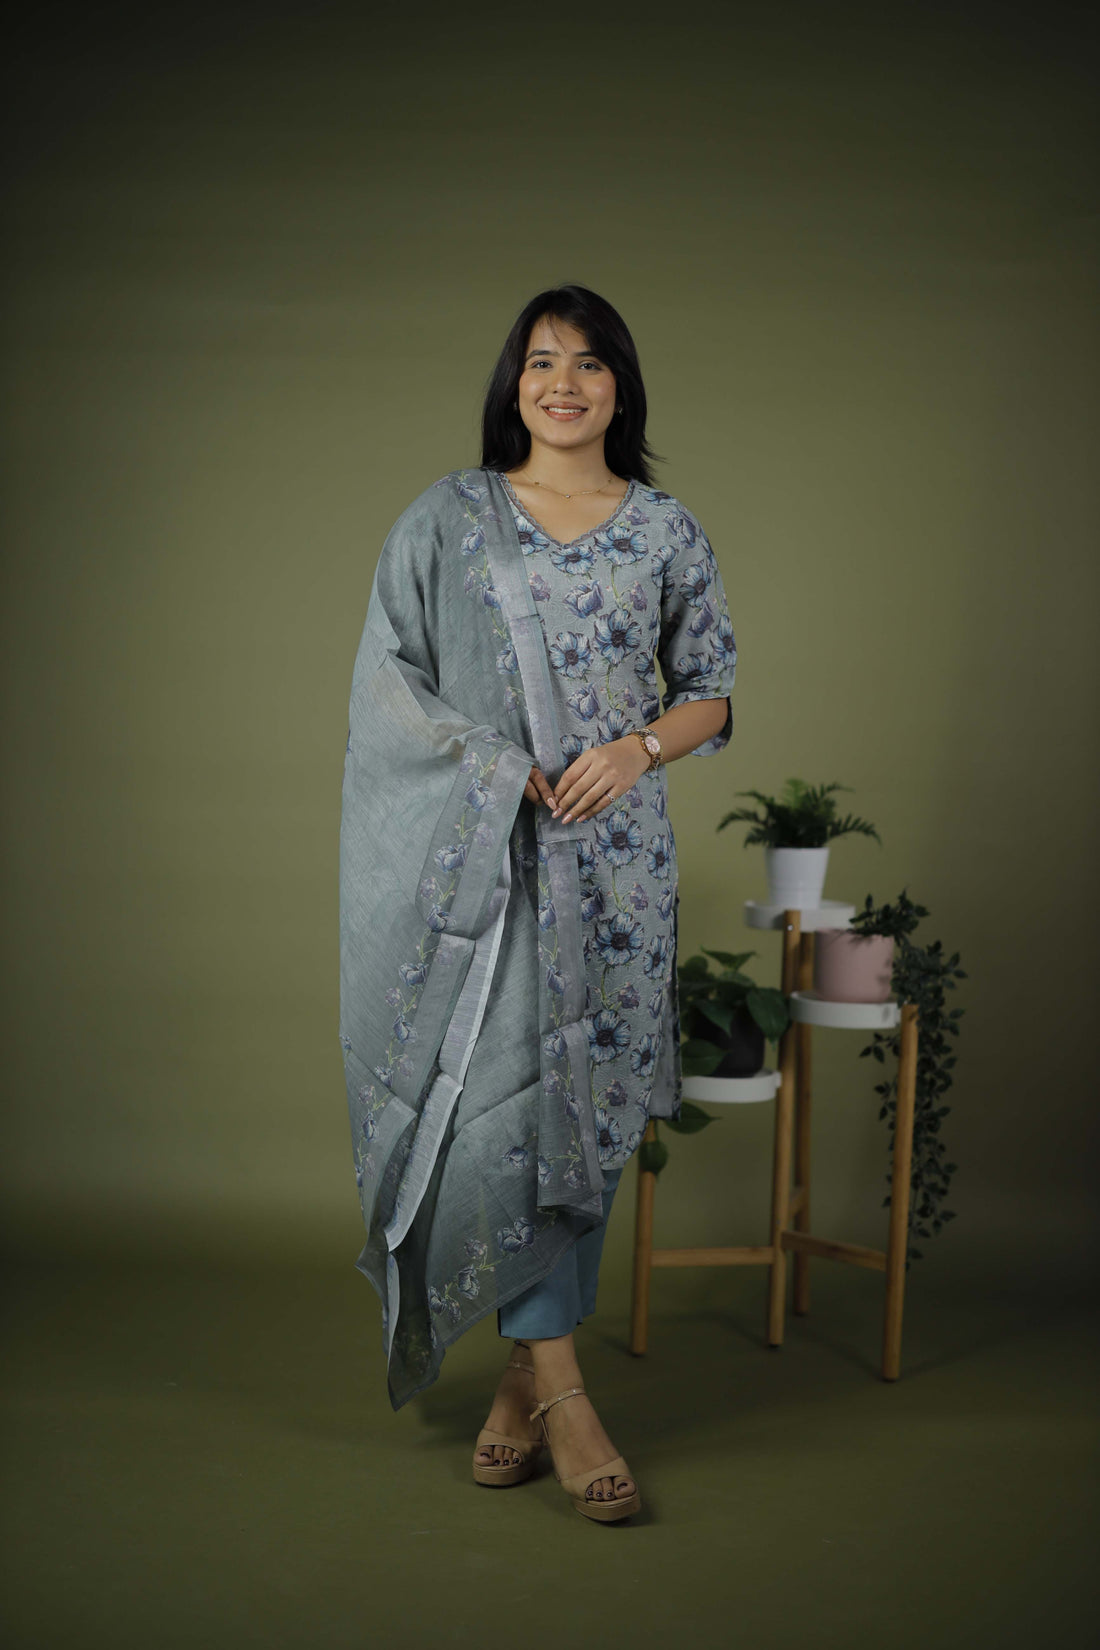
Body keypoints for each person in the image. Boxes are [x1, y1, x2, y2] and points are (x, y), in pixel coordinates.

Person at [339, 284, 737, 1523]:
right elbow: (389, 686)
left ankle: (520, 1384)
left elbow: (711, 691)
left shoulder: (664, 528)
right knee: (504, 1108)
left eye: (588, 363)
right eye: (540, 361)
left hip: (617, 874)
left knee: (590, 1112)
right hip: (486, 873)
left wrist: (637, 749)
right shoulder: (447, 520)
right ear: (512, 384)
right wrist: (497, 767)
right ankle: (566, 1396)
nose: (562, 383)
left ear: (621, 388)